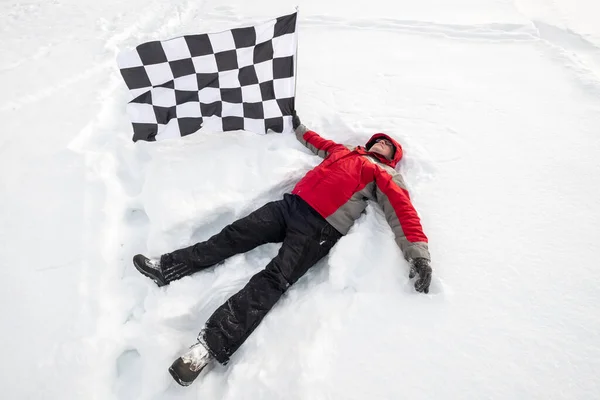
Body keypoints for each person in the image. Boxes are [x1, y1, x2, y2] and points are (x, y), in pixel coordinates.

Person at [132, 111, 433, 387]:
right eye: (378, 140)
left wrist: (419, 257)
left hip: (319, 229)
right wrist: (297, 124)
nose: (381, 143)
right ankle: (167, 267)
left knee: (273, 280)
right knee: (235, 234)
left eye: (387, 145)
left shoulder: (385, 175)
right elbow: (316, 141)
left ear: (393, 155)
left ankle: (207, 348)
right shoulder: (342, 151)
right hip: (290, 207)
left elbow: (404, 214)